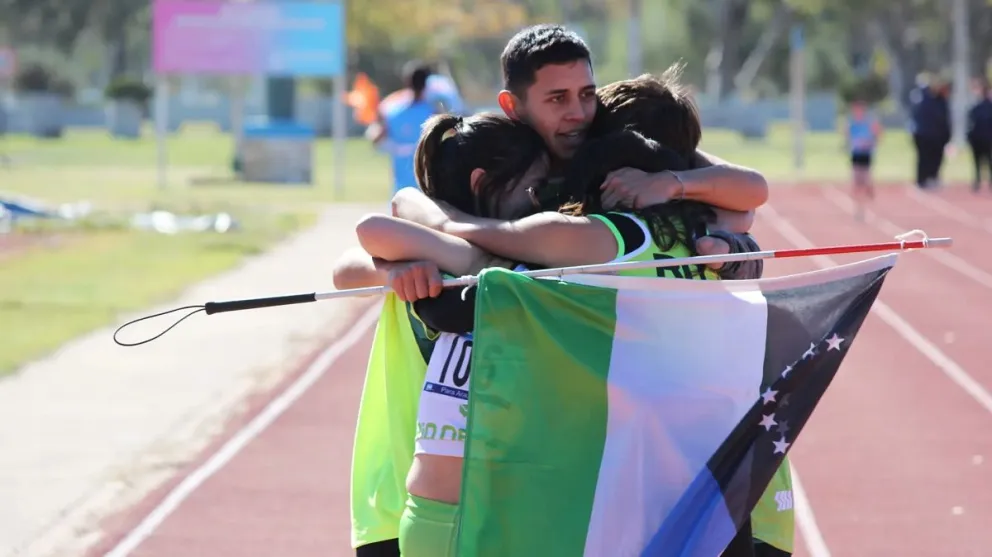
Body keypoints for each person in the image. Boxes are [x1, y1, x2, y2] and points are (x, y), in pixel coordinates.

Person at [337, 113, 550, 557]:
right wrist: (392, 270)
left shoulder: (491, 256)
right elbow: (348, 261)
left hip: (481, 508)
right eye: (533, 188)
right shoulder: (412, 248)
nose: (540, 202)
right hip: (395, 509)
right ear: (482, 182)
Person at [369, 60, 440, 194]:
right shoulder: (435, 113)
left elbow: (376, 138)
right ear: (426, 84)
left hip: (401, 189)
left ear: (407, 81)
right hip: (428, 188)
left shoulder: (392, 111)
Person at [909, 75, 952, 190]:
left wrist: (947, 134)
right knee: (923, 158)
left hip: (938, 135)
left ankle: (933, 177)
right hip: (924, 134)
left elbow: (945, 119)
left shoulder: (941, 101)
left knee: (936, 158)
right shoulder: (922, 98)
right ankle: (921, 180)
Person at [845, 98, 881, 220]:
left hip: (866, 156)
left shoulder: (869, 123)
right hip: (856, 156)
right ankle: (859, 209)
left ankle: (868, 191)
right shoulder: (852, 124)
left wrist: (872, 143)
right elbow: (848, 138)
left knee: (865, 182)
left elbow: (877, 136)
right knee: (856, 184)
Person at [967, 80, 992, 192]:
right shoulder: (977, 107)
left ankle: (978, 181)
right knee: (983, 160)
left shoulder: (977, 107)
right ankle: (978, 181)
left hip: (981, 138)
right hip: (982, 138)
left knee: (982, 160)